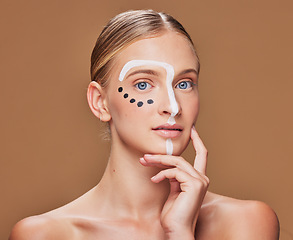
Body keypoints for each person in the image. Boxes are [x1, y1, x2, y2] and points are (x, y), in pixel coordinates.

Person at [9, 9, 279, 240]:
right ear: (100, 102)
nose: (172, 106)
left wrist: (180, 233)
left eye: (184, 84)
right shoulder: (47, 234)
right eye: (142, 85)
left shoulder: (245, 224)